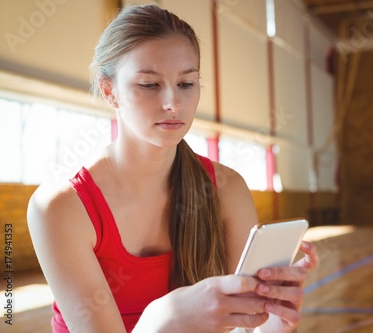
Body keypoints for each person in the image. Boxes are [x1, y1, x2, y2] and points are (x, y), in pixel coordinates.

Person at [27, 4, 319, 333]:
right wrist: (164, 318)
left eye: (186, 84)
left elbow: (251, 331)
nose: (173, 103)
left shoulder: (227, 188)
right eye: (150, 85)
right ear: (110, 92)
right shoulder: (61, 207)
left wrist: (276, 319)